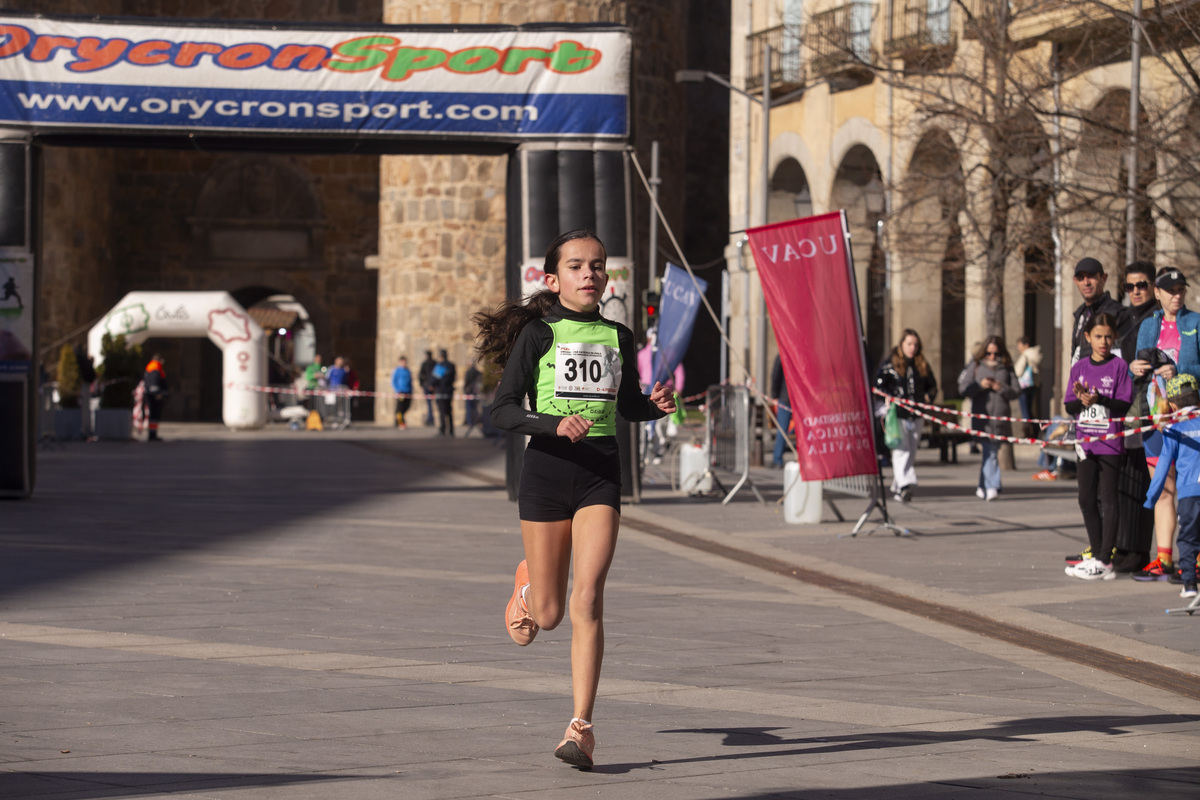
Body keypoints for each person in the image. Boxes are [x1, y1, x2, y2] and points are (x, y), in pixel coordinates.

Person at [473, 229, 675, 769]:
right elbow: (503, 409)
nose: (590, 274)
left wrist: (654, 404)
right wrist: (553, 423)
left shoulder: (620, 335)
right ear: (554, 278)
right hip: (546, 473)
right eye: (578, 266)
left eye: (599, 266)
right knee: (550, 614)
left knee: (588, 599)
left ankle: (581, 727)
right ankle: (529, 587)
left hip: (599, 477)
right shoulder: (538, 335)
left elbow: (627, 404)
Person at [1130, 268, 1200, 581]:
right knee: (1163, 488)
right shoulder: (1148, 325)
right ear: (1157, 293)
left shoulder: (1195, 322)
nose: (1176, 295)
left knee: (1193, 487)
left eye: (1180, 290)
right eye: (1170, 290)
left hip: (1188, 418)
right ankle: (1164, 558)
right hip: (1156, 416)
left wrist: (1179, 368)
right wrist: (1135, 367)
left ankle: (1195, 558)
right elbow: (1139, 367)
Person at [1063, 313, 1133, 581]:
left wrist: (1100, 398)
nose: (1103, 341)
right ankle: (1096, 553)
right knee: (1085, 498)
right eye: (1098, 336)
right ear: (1088, 337)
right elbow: (1069, 406)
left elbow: (1124, 405)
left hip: (1110, 443)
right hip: (1085, 444)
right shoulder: (1080, 367)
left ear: (1113, 337)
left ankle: (1106, 559)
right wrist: (1082, 400)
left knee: (1108, 499)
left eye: (1108, 337)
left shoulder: (1119, 366)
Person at [1144, 373, 1200, 598]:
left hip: (1189, 495)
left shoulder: (1173, 430)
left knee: (1187, 538)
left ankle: (1189, 585)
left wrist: (1151, 498)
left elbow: (1163, 467)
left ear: (1173, 404)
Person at [875, 329, 938, 503]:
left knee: (911, 450)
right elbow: (878, 386)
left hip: (915, 414)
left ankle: (898, 486)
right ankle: (905, 484)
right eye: (909, 344)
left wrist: (928, 397)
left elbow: (932, 385)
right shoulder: (890, 365)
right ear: (902, 344)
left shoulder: (921, 364)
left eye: (915, 344)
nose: (912, 348)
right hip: (898, 414)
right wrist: (887, 397)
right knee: (900, 449)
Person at [958, 336, 1019, 501]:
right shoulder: (976, 365)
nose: (992, 357)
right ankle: (993, 486)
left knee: (990, 452)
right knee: (990, 451)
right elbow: (963, 389)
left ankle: (982, 485)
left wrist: (1002, 388)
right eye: (989, 353)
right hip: (982, 417)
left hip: (1000, 417)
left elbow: (1016, 391)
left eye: (996, 354)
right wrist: (980, 385)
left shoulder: (1007, 367)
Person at [1070, 257, 1123, 366]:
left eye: (1091, 276)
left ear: (1103, 278)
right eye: (1081, 278)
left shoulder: (1115, 312)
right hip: (1080, 379)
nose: (1086, 282)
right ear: (1075, 281)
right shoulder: (1080, 314)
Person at [1013, 336, 1041, 435]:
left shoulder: (1025, 355)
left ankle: (1029, 433)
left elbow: (1018, 371)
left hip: (1024, 386)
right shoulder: (1035, 354)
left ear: (1026, 345)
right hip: (1032, 385)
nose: (1018, 348)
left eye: (1019, 345)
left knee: (1025, 411)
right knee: (1029, 410)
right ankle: (1035, 431)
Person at [769, 354, 792, 469]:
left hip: (785, 397)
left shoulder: (783, 355)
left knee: (782, 430)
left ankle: (777, 459)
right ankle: (778, 459)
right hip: (792, 397)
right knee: (784, 430)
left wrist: (775, 395)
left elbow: (775, 375)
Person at [143, 354, 168, 441]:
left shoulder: (150, 366)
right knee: (154, 416)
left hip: (150, 394)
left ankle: (152, 434)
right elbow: (154, 383)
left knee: (152, 415)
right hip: (154, 396)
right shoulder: (156, 367)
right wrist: (158, 393)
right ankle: (152, 435)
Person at [431, 349, 456, 437]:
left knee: (442, 411)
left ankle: (443, 429)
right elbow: (453, 378)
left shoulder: (440, 366)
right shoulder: (451, 365)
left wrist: (431, 385)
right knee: (449, 411)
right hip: (449, 391)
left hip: (440, 391)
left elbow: (434, 379)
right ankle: (451, 430)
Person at [462, 358, 483, 436]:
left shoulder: (468, 372)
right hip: (476, 393)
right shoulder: (478, 372)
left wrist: (465, 390)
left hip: (470, 393)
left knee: (469, 409)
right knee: (476, 409)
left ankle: (470, 422)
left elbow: (466, 382)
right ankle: (476, 422)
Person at [391, 355, 413, 429]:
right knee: (400, 408)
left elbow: (410, 382)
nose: (404, 363)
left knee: (406, 407)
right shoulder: (397, 371)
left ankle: (399, 420)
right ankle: (400, 422)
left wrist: (411, 391)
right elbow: (394, 381)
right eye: (403, 362)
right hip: (400, 392)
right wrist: (397, 390)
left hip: (407, 391)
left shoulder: (407, 371)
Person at [418, 350, 437, 425]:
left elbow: (420, 375)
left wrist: (422, 384)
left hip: (427, 385)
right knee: (431, 403)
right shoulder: (435, 363)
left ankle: (430, 419)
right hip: (433, 385)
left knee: (429, 403)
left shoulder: (425, 364)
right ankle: (430, 418)